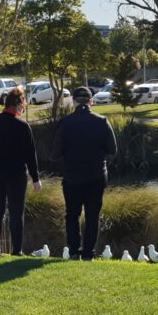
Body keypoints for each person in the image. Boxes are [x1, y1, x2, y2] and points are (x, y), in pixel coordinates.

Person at [52, 86, 117, 260]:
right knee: (92, 216)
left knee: (72, 215)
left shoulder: (65, 123)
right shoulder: (102, 121)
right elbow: (113, 149)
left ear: (73, 101)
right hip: (96, 175)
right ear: (91, 101)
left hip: (72, 176)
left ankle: (74, 251)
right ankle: (88, 253)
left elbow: (55, 153)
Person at [0, 86, 41, 255]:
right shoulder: (22, 127)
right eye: (23, 105)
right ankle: (17, 250)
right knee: (16, 212)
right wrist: (36, 178)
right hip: (16, 174)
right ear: (19, 104)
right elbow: (31, 155)